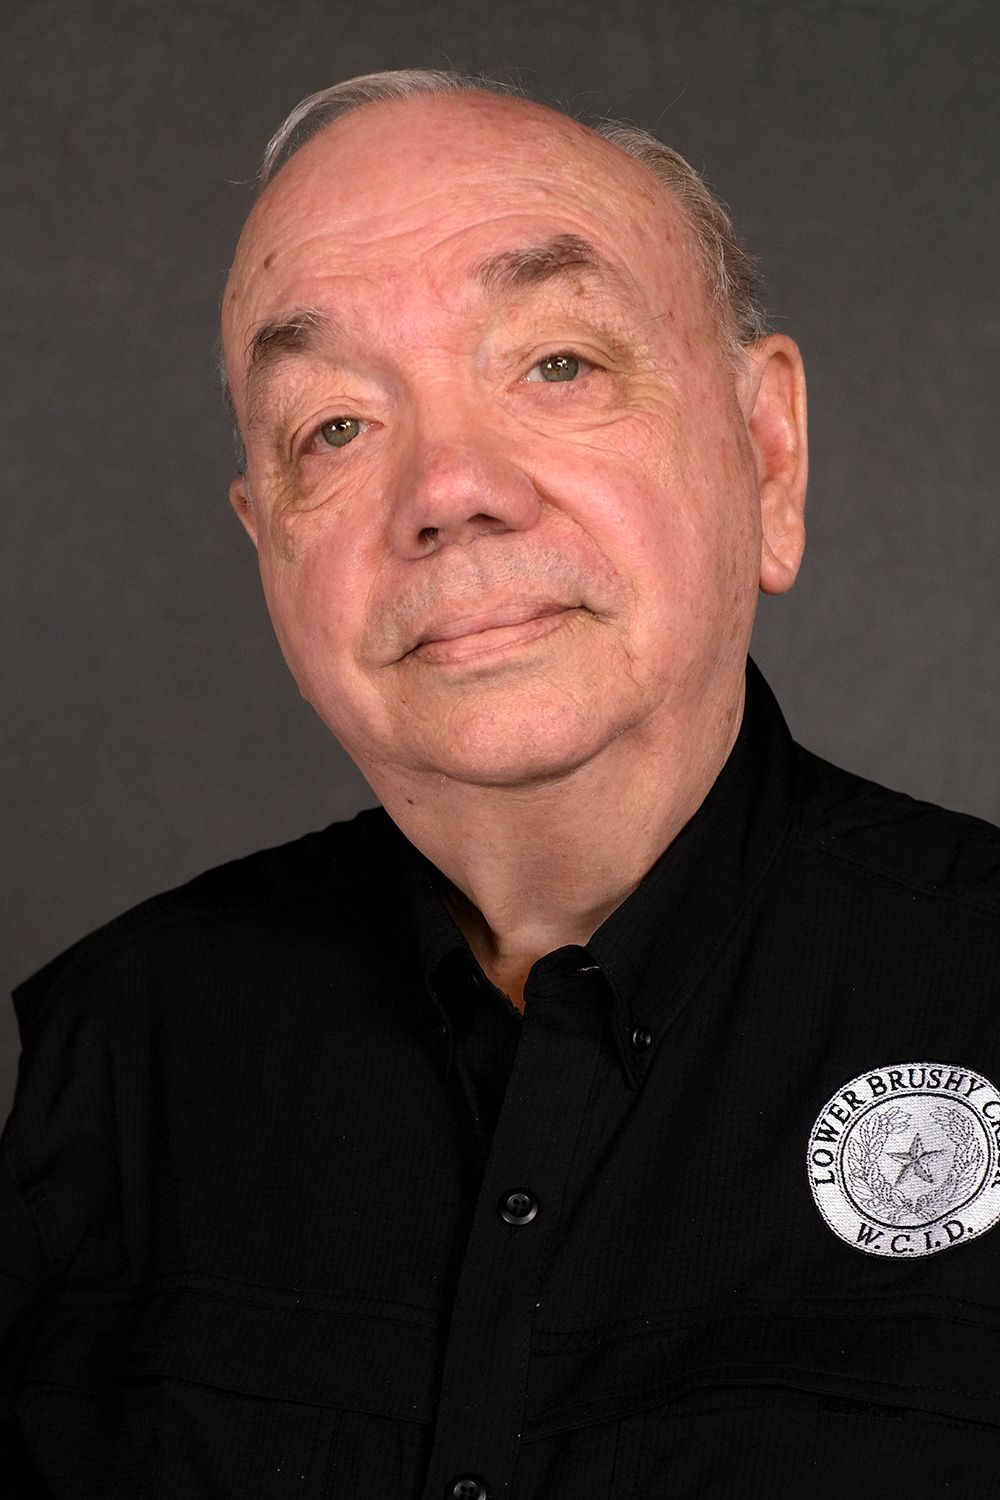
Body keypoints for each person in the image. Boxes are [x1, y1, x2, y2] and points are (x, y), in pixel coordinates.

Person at [2, 68, 999, 1499]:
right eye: (334, 426)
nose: (449, 486)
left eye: (556, 365)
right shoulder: (126, 1053)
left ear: (767, 455)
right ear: (269, 551)